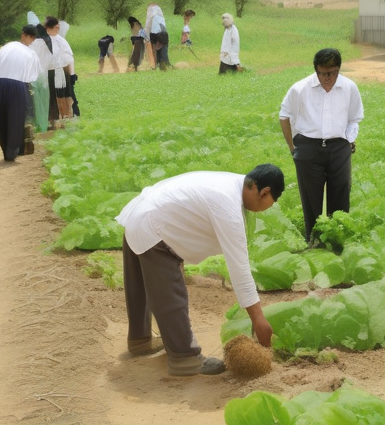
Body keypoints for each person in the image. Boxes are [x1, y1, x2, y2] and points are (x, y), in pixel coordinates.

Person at [116, 164, 283, 376]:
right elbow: (239, 267)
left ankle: (140, 340)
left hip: (139, 215)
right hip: (154, 226)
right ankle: (184, 358)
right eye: (268, 203)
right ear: (264, 192)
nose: (264, 209)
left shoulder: (232, 181)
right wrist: (259, 320)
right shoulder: (227, 205)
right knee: (170, 294)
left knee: (140, 284)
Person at [279, 48, 364, 244]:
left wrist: (349, 139)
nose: (328, 78)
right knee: (311, 199)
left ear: (339, 69)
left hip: (339, 148)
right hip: (308, 148)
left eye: (333, 73)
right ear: (316, 70)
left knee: (341, 194)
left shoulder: (349, 87)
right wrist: (293, 148)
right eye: (323, 73)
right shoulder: (300, 88)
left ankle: (337, 240)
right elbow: (284, 116)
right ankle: (314, 242)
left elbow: (354, 118)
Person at [0, 25, 43, 161]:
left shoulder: (7, 46)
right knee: (16, 118)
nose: (31, 40)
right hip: (17, 85)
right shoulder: (31, 53)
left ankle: (7, 150)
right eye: (31, 37)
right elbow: (34, 75)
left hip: (0, 84)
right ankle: (12, 151)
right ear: (24, 35)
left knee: (1, 117)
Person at [45, 17, 74, 121]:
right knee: (52, 95)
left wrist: (72, 73)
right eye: (56, 27)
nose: (58, 29)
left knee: (64, 93)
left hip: (62, 70)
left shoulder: (61, 40)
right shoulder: (43, 40)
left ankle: (66, 114)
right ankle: (54, 117)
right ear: (49, 28)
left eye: (58, 27)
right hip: (48, 72)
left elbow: (69, 57)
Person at [145, 3, 170, 71]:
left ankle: (156, 64)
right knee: (163, 48)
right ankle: (164, 63)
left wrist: (146, 37)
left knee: (155, 50)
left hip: (154, 34)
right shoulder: (161, 17)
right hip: (163, 33)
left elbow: (148, 26)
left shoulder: (151, 16)